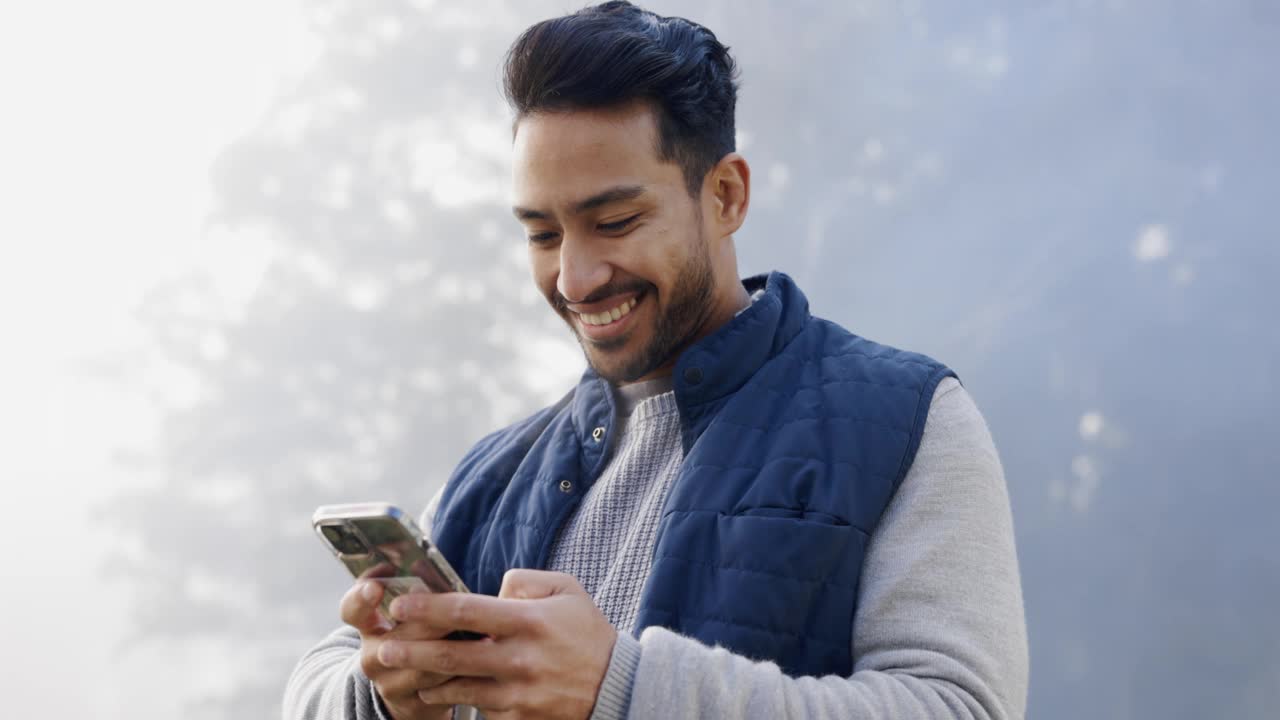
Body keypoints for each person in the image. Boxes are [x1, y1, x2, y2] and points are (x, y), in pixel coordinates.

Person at [283, 2, 1029, 718]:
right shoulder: (492, 474)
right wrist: (380, 695)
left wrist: (621, 690)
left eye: (614, 222)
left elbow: (960, 707)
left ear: (727, 195)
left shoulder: (907, 420)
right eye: (542, 235)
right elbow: (316, 683)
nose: (574, 279)